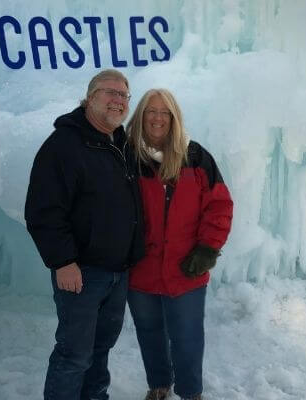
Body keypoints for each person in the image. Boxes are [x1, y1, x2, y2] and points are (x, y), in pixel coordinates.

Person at [25, 69, 145, 400]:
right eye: (110, 93)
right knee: (74, 354)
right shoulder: (64, 146)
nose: (118, 101)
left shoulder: (120, 144)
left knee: (100, 349)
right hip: (81, 273)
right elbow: (43, 210)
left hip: (117, 272)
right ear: (89, 98)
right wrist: (63, 262)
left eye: (124, 95)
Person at [125, 89, 233, 400]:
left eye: (165, 112)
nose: (157, 118)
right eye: (151, 111)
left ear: (174, 118)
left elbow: (220, 206)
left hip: (185, 268)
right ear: (141, 116)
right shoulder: (128, 156)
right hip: (141, 268)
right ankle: (159, 385)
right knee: (150, 333)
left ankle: (190, 392)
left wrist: (207, 249)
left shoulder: (195, 157)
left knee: (187, 337)